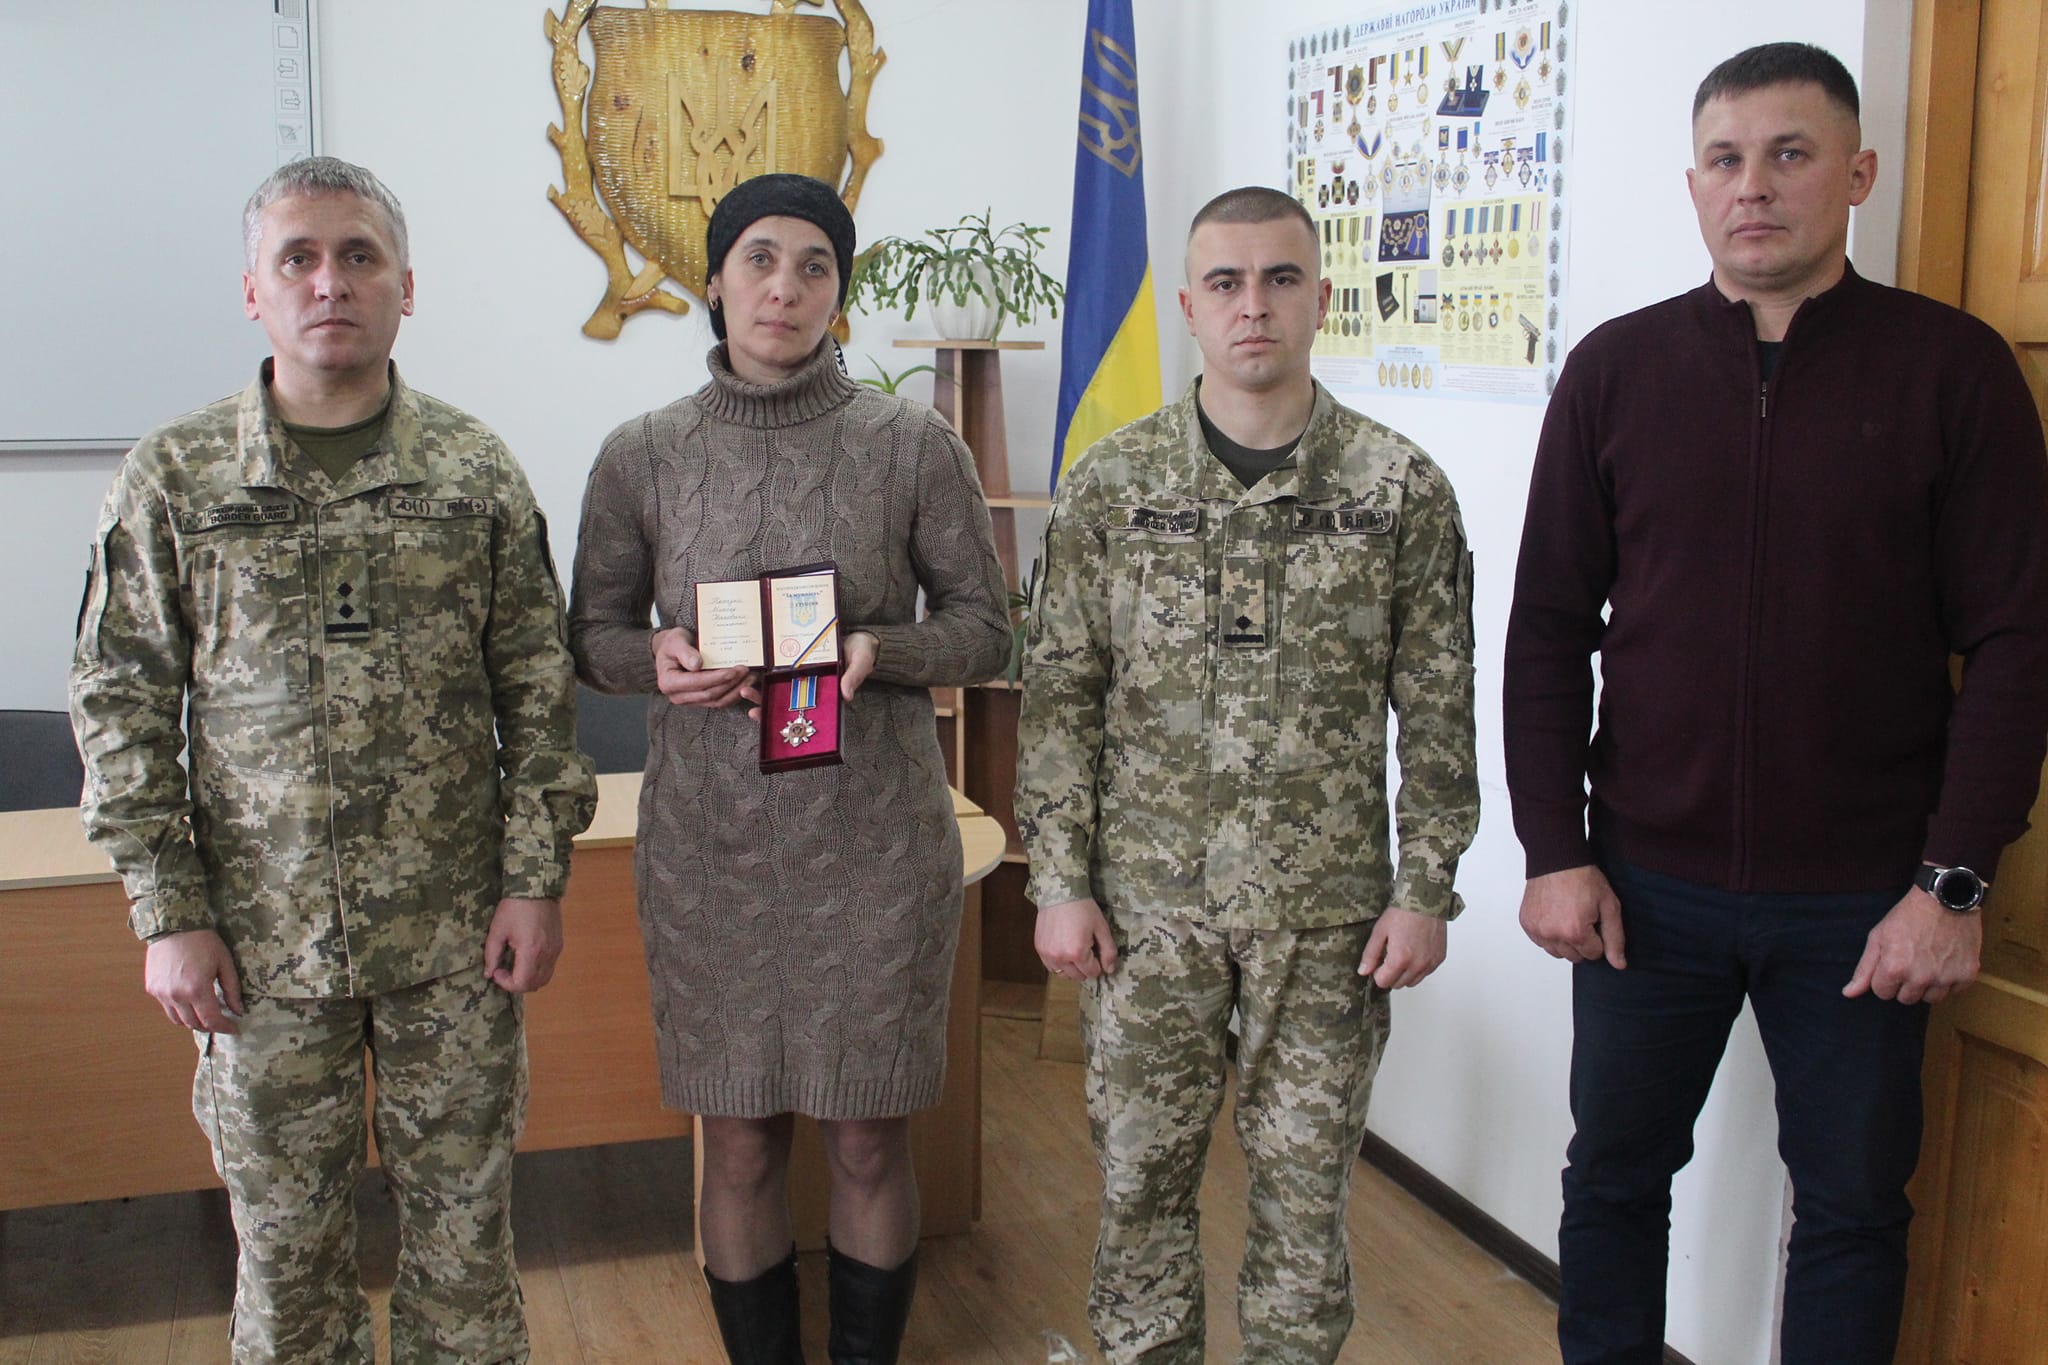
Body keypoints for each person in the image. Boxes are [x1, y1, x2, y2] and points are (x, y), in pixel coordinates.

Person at [1503, 42, 2048, 1364]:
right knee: (1612, 1184)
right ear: (1694, 184)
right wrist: (1555, 849)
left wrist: (1952, 883)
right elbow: (1549, 628)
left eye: (1789, 154)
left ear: (1857, 174)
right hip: (1642, 893)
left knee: (1853, 1211)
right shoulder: (1615, 371)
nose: (1753, 186)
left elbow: (2017, 641)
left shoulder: (1954, 371)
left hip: (1865, 901)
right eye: (1726, 159)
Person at [68, 156, 597, 1363]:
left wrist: (533, 881)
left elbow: (537, 688)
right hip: (258, 951)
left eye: (358, 255)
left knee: (465, 1250)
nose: (330, 282)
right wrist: (167, 914)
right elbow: (120, 703)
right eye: (297, 258)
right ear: (251, 291)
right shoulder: (177, 476)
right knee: (286, 1260)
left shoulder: (472, 471)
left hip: (454, 942)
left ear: (407, 285)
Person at [1015, 185, 1479, 1364]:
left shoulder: (1395, 490)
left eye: (1279, 279)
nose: (1252, 306)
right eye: (1224, 283)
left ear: (1320, 298)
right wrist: (1057, 881)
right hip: (1146, 915)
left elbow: (1435, 709)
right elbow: (1061, 695)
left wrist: (1425, 887)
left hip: (1325, 925)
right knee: (1138, 1193)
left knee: (1304, 1206)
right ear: (1187, 306)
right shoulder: (1112, 485)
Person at [567, 173, 1010, 1365]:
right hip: (710, 858)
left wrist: (881, 649)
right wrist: (656, 659)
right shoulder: (642, 455)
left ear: (837, 292)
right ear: (714, 283)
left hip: (872, 850)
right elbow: (591, 637)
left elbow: (986, 631)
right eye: (758, 259)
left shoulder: (911, 445)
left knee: (867, 1138)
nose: (784, 287)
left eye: (815, 265)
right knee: (740, 1140)